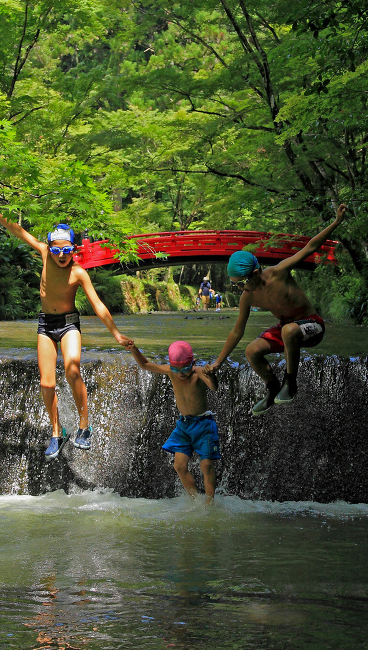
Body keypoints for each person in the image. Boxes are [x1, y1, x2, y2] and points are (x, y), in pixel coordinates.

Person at [0, 201, 133, 458]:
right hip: (45, 324)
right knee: (47, 383)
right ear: (50, 248)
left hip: (69, 324)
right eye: (57, 250)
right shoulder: (44, 253)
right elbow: (15, 228)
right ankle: (57, 432)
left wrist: (117, 334)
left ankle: (84, 427)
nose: (61, 255)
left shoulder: (78, 273)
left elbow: (98, 305)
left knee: (72, 370)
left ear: (74, 250)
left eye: (66, 250)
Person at [206, 204, 348, 416]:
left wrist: (336, 222)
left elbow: (310, 247)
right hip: (286, 329)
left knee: (289, 330)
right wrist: (218, 362)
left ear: (255, 273)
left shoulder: (279, 272)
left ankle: (290, 383)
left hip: (312, 326)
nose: (240, 288)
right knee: (251, 351)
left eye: (241, 282)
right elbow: (237, 332)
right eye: (235, 284)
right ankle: (272, 388)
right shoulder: (248, 296)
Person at [129, 340, 220, 503]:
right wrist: (134, 349)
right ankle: (195, 500)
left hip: (203, 424)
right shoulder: (171, 371)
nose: (180, 374)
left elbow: (214, 387)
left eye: (185, 369)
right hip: (184, 425)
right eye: (175, 369)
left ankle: (209, 502)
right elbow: (145, 364)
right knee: (179, 466)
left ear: (193, 363)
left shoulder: (198, 372)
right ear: (171, 365)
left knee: (206, 465)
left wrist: (211, 374)